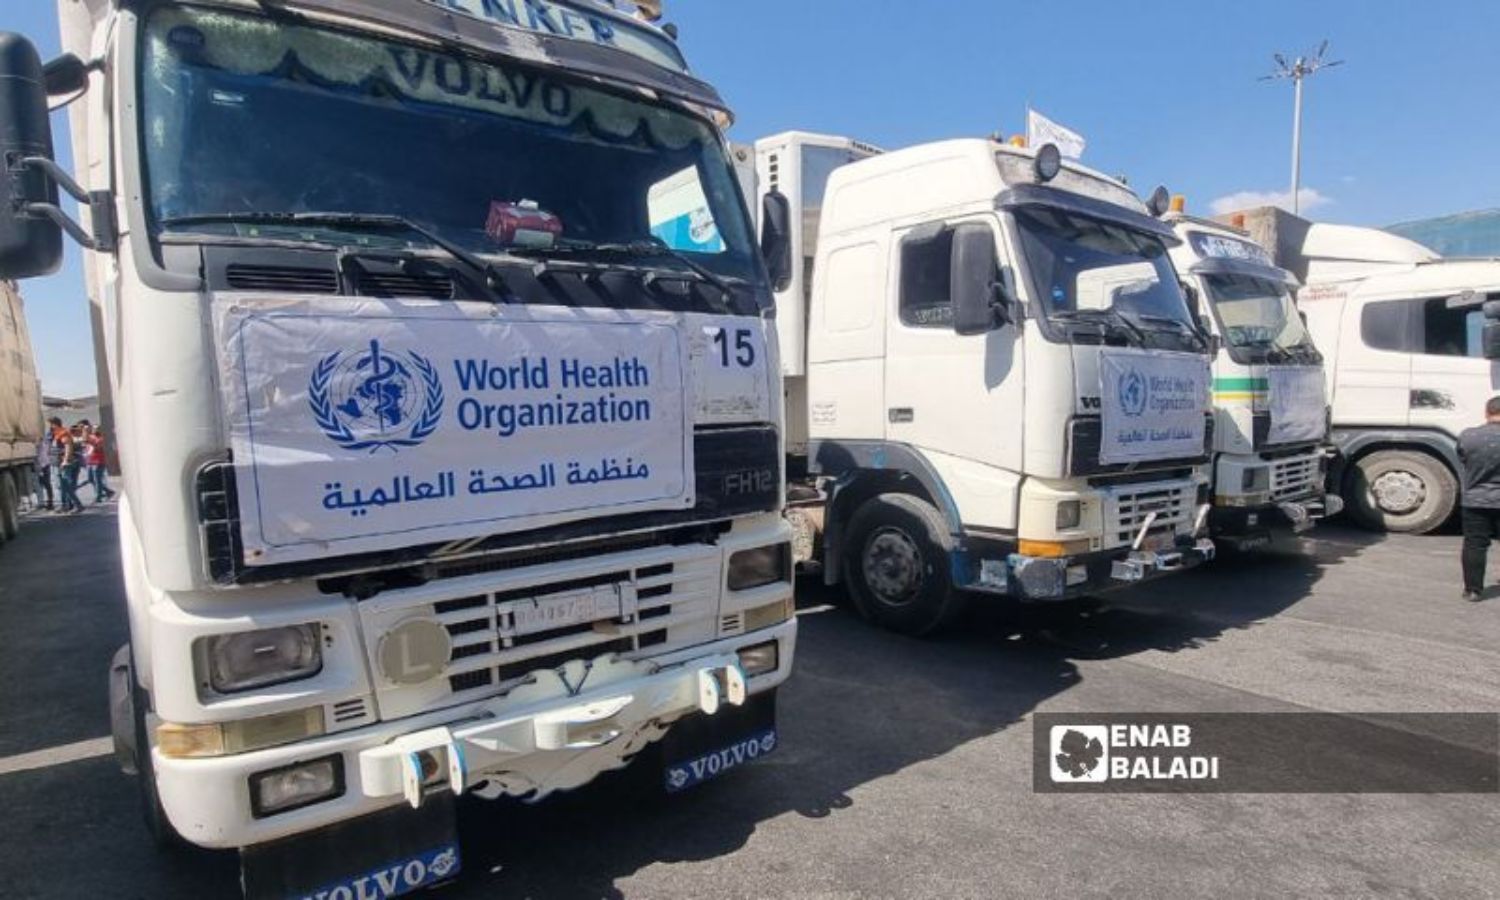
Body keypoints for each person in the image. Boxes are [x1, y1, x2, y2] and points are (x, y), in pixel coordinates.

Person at [1457, 396, 1500, 601]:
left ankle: (1473, 589)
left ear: (1486, 413)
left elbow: (1463, 459)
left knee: (1475, 544)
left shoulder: (1469, 436)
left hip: (1475, 499)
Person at [79, 420, 115, 503]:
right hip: (90, 461)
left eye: (97, 429)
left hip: (98, 461)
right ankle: (108, 491)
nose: (95, 430)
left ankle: (98, 497)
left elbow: (97, 447)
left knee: (97, 480)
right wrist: (84, 431)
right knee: (90, 479)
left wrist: (90, 441)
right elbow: (85, 441)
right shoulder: (90, 436)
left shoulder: (101, 438)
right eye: (94, 429)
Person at [57, 423, 84, 515]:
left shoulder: (65, 436)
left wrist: (65, 461)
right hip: (73, 463)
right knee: (69, 486)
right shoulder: (73, 438)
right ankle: (68, 505)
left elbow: (68, 449)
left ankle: (77, 505)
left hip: (69, 464)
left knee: (66, 486)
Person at [33, 435, 53, 510]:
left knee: (46, 484)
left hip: (43, 465)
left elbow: (41, 455)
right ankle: (44, 502)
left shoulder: (43, 442)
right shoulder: (45, 442)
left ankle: (49, 502)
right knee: (42, 485)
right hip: (43, 465)